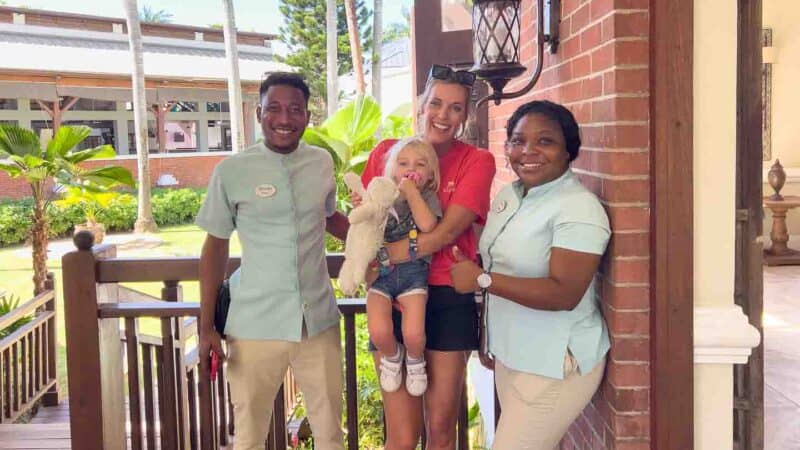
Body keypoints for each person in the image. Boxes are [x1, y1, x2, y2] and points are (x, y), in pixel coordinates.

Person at [196, 72, 349, 450]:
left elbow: (329, 218)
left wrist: (377, 244)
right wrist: (206, 327)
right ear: (259, 112)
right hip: (254, 324)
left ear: (307, 116)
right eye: (275, 109)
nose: (285, 119)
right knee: (249, 436)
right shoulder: (231, 171)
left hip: (317, 322)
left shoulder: (321, 163)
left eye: (295, 109)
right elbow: (215, 246)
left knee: (330, 433)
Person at [449, 100, 611, 450]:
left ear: (569, 150)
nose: (528, 151)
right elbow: (502, 260)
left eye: (545, 141)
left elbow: (564, 293)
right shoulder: (513, 195)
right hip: (514, 355)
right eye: (518, 141)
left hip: (554, 365)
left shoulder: (578, 208)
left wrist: (481, 280)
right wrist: (488, 339)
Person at [358, 64, 496, 450]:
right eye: (436, 103)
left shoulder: (476, 160)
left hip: (447, 295)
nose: (443, 115)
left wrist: (398, 252)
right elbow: (370, 221)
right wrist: (370, 262)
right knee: (402, 437)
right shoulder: (387, 153)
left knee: (440, 428)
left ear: (465, 115)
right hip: (392, 297)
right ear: (421, 105)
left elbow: (450, 230)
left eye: (455, 108)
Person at [366, 137, 442, 397]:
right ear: (391, 169)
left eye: (421, 164)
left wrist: (411, 193)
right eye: (403, 163)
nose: (412, 168)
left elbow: (428, 226)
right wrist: (362, 206)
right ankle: (392, 355)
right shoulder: (383, 196)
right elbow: (368, 227)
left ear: (430, 174)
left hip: (413, 274)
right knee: (378, 330)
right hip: (380, 274)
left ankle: (415, 358)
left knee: (413, 333)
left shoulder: (428, 197)